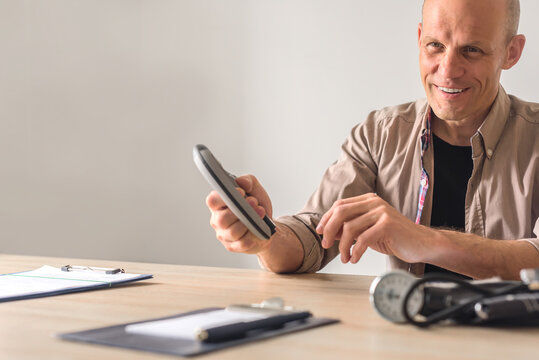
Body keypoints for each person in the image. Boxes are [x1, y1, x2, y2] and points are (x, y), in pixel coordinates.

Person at [206, 0, 539, 280]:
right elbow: (312, 237)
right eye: (435, 46)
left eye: (472, 50)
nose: (448, 69)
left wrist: (420, 240)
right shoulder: (380, 133)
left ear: (512, 52)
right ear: (420, 38)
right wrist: (265, 237)